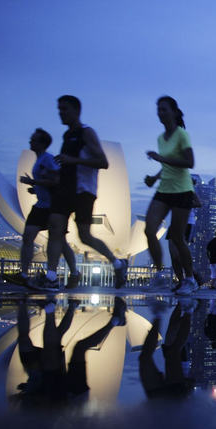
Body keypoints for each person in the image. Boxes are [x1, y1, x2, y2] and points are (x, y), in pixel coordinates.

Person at [35, 95, 127, 291]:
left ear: (76, 111)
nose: (61, 113)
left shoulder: (86, 133)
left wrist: (73, 160)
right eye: (59, 109)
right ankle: (51, 277)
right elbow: (68, 165)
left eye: (65, 109)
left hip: (83, 191)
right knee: (55, 229)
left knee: (85, 236)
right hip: (64, 190)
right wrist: (54, 174)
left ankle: (117, 263)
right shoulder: (67, 136)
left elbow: (103, 162)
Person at [5, 128, 80, 289]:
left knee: (60, 241)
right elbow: (48, 182)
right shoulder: (39, 160)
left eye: (33, 139)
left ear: (41, 143)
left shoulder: (47, 159)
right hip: (40, 205)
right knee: (28, 237)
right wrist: (36, 188)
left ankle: (73, 273)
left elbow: (57, 180)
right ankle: (23, 274)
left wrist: (34, 182)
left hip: (53, 206)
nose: (30, 141)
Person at [144, 96, 199, 296]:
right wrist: (154, 178)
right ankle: (159, 274)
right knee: (149, 229)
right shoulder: (161, 138)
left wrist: (161, 158)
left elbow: (189, 162)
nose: (160, 113)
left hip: (182, 190)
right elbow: (166, 164)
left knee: (177, 237)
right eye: (158, 109)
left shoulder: (182, 135)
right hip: (164, 189)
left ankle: (190, 279)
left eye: (164, 109)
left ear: (174, 112)